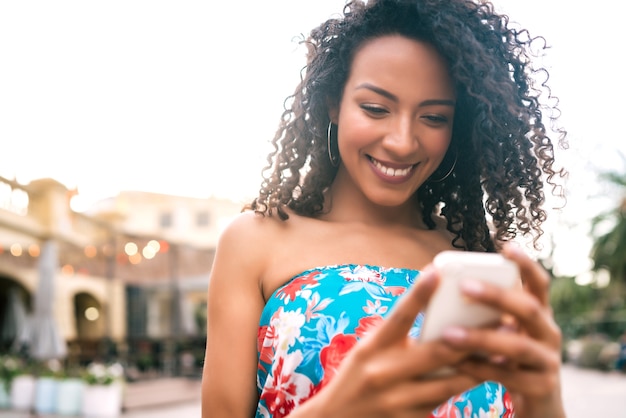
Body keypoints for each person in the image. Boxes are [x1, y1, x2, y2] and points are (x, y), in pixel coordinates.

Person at [201, 0, 568, 416]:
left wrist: (546, 398)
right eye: (375, 108)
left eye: (433, 118)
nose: (402, 141)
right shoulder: (255, 241)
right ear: (332, 103)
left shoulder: (479, 256)